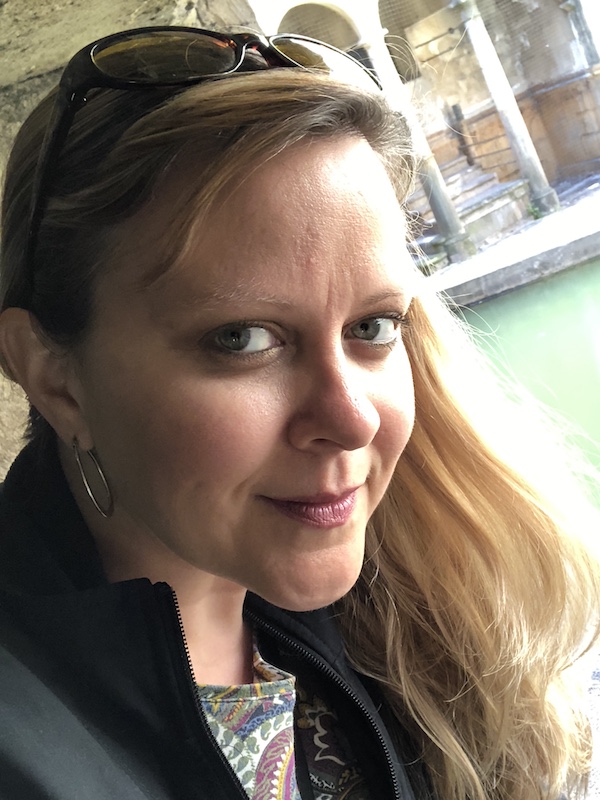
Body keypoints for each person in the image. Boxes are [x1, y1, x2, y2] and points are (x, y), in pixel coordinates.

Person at [0, 25, 598, 800]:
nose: (353, 421)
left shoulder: (417, 610)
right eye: (242, 339)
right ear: (55, 379)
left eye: (373, 326)